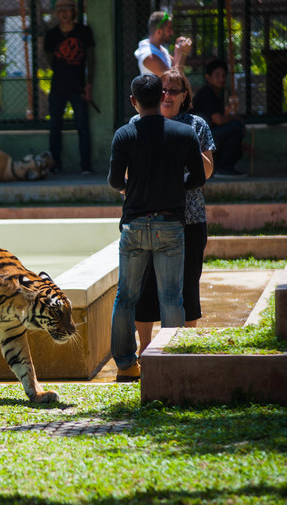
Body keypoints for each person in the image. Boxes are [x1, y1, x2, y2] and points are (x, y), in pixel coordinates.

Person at [108, 74, 206, 382]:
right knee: (171, 297)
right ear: (160, 97)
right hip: (171, 226)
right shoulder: (185, 133)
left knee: (126, 296)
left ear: (134, 101)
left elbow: (114, 181)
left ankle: (125, 364)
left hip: (134, 225)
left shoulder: (124, 135)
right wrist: (176, 188)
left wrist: (132, 188)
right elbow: (199, 178)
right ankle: (173, 362)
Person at [130, 70, 215, 355]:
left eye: (174, 91)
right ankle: (145, 349)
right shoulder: (137, 123)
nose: (167, 95)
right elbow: (126, 174)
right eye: (162, 90)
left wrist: (184, 144)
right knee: (145, 285)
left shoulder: (196, 125)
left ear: (184, 96)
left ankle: (183, 349)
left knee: (188, 284)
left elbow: (207, 169)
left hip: (189, 218)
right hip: (148, 217)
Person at [43, 0, 95, 174]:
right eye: (60, 10)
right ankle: (55, 165)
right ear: (56, 13)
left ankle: (86, 166)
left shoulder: (84, 32)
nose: (64, 13)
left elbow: (91, 60)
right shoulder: (51, 35)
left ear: (73, 12)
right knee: (54, 126)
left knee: (82, 126)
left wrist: (88, 85)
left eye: (67, 10)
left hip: (79, 86)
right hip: (58, 86)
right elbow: (50, 60)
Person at [191, 59, 246, 177]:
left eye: (223, 75)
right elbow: (218, 120)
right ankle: (223, 168)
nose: (221, 79)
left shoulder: (215, 95)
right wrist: (235, 118)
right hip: (199, 138)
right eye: (217, 75)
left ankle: (220, 167)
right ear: (208, 77)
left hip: (206, 136)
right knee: (236, 126)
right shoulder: (207, 93)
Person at [134, 11, 192, 76]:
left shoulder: (160, 49)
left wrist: (178, 51)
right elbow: (173, 80)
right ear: (158, 32)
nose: (171, 32)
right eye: (169, 29)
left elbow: (174, 68)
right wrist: (183, 54)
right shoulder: (149, 56)